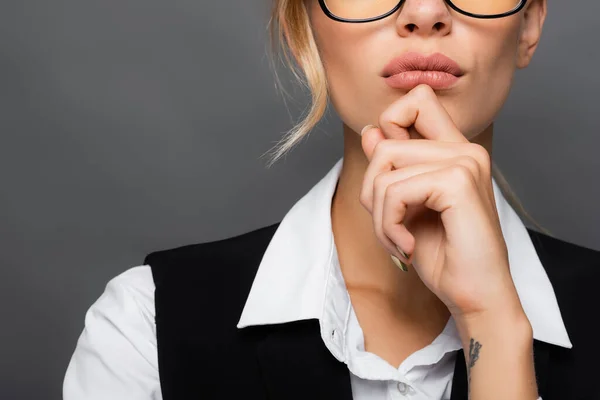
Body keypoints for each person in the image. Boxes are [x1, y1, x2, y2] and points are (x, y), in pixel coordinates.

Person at [63, 0, 600, 399]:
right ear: (302, 27)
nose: (425, 12)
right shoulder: (146, 327)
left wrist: (493, 325)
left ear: (529, 23)